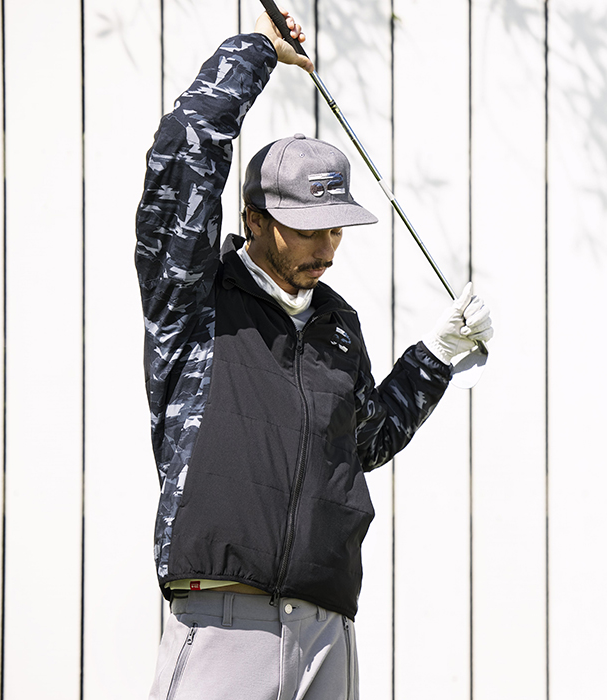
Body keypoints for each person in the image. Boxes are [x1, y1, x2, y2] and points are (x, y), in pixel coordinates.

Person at [135, 9, 493, 700]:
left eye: (336, 228)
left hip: (329, 629)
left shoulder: (337, 325)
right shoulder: (194, 298)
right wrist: (257, 53)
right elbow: (185, 150)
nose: (326, 248)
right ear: (254, 219)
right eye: (306, 228)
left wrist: (437, 355)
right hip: (224, 620)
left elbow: (364, 444)